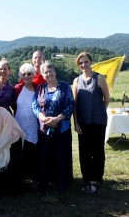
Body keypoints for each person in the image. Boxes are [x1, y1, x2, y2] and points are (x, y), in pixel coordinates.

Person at [32, 61, 74, 194]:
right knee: (46, 155)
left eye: (50, 71)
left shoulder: (65, 86)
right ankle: (47, 182)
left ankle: (62, 182)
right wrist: (43, 118)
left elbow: (70, 104)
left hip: (62, 128)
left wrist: (58, 118)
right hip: (44, 129)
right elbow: (35, 105)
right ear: (42, 74)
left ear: (55, 72)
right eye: (45, 72)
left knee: (61, 155)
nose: (48, 73)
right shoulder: (39, 88)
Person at [73, 52, 110, 193]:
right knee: (84, 153)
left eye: (86, 61)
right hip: (83, 123)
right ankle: (87, 179)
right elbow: (75, 104)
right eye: (81, 62)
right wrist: (76, 122)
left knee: (97, 152)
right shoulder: (76, 81)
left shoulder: (99, 78)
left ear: (91, 62)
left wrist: (100, 110)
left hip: (98, 122)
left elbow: (107, 98)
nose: (83, 64)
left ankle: (95, 181)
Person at [14, 63, 39, 189]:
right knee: (20, 152)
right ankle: (21, 178)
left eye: (29, 74)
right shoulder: (17, 88)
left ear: (33, 75)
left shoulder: (38, 88)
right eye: (24, 74)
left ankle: (34, 178)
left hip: (34, 125)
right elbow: (13, 105)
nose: (26, 76)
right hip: (19, 124)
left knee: (33, 151)